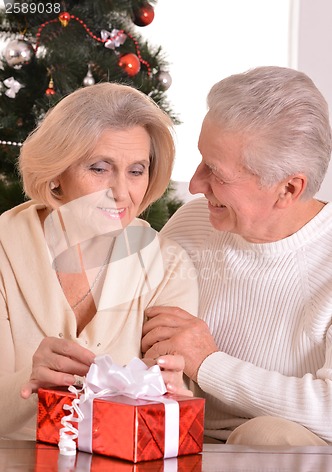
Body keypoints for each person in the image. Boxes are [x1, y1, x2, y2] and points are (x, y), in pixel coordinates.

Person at [142, 66, 332, 446]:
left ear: (288, 189)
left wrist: (210, 365)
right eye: (201, 160)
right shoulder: (195, 221)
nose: (195, 185)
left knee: (267, 438)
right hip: (178, 433)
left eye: (216, 172)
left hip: (288, 460)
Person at [0, 82, 198, 440]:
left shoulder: (167, 265)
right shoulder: (4, 249)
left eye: (136, 171)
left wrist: (168, 397)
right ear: (56, 173)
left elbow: (164, 415)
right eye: (100, 168)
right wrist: (29, 382)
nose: (122, 192)